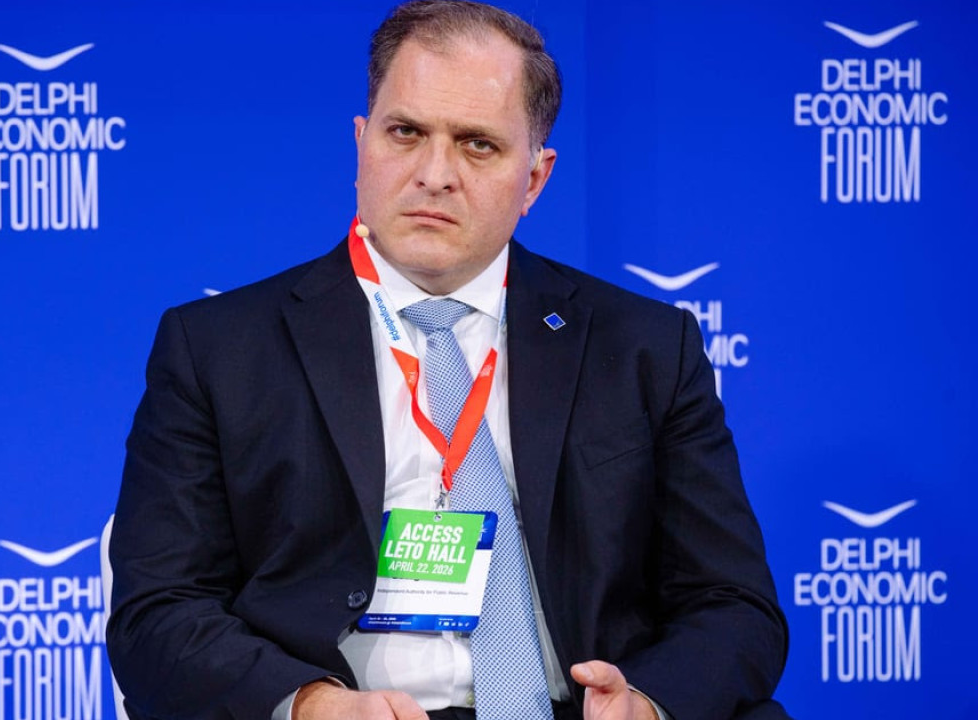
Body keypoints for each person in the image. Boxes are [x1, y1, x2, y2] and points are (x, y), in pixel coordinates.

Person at [106, 2, 789, 719]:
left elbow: (733, 603)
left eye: (478, 145)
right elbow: (158, 614)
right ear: (362, 143)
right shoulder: (219, 349)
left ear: (535, 179)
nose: (435, 174)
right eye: (406, 133)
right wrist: (309, 705)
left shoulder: (645, 347)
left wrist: (645, 704)